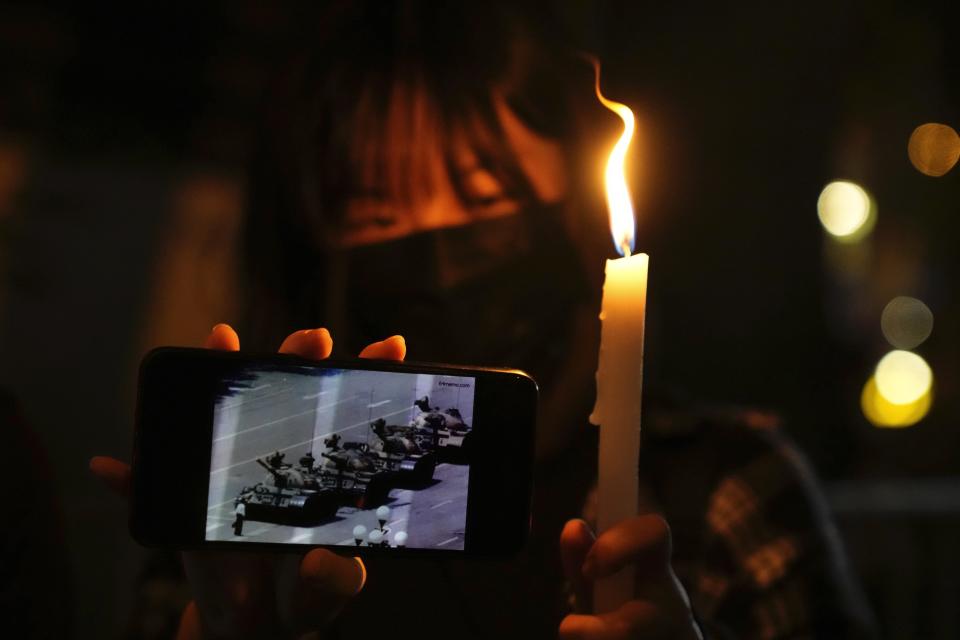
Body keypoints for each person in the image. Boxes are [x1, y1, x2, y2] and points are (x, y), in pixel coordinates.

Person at [93, 2, 876, 638]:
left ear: (564, 204)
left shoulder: (727, 492)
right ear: (313, 237)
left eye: (478, 192)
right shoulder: (255, 497)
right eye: (380, 209)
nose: (438, 249)